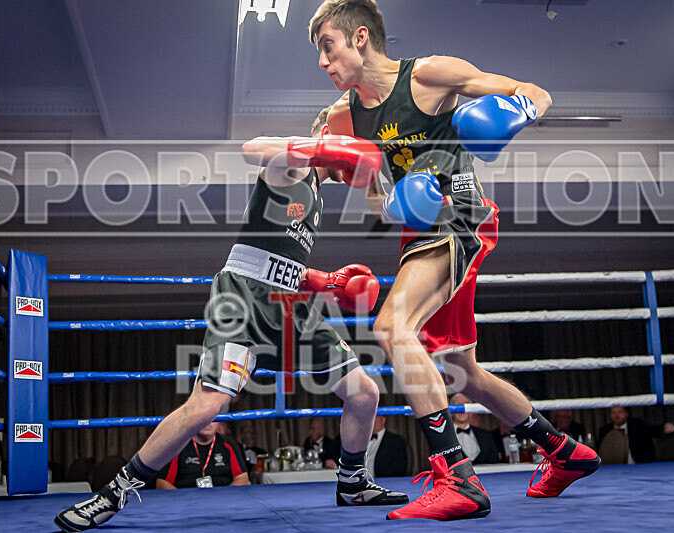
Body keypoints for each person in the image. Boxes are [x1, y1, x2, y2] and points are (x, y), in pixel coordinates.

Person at [308, 0, 600, 520]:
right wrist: (338, 176)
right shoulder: (342, 117)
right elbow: (363, 190)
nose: (324, 63)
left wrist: (516, 111)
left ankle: (457, 477)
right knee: (461, 371)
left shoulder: (429, 75)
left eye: (328, 47)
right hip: (418, 229)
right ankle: (564, 451)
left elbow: (534, 92)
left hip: (461, 214)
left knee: (392, 326)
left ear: (358, 37)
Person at [54, 111, 407, 532]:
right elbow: (251, 149)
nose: (356, 162)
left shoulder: (316, 197)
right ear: (332, 139)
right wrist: (324, 147)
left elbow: (282, 264)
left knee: (364, 392)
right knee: (207, 405)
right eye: (351, 145)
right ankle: (114, 492)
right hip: (241, 299)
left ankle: (352, 482)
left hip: (288, 304)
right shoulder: (292, 167)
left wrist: (326, 282)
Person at [156, 422, 249, 488]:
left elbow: (242, 478)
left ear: (218, 423)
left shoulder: (228, 444)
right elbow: (162, 483)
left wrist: (225, 498)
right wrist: (183, 502)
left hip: (223, 501)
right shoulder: (178, 445)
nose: (208, 423)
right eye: (204, 419)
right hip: (186, 504)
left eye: (212, 419)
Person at [597, 406, 674, 464]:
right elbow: (601, 452)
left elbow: (652, 430)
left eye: (620, 412)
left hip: (640, 466)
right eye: (613, 412)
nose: (616, 415)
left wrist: (664, 428)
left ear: (626, 414)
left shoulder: (637, 425)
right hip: (614, 469)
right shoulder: (604, 430)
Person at [450, 394, 499, 465]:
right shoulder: (444, 437)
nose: (461, 410)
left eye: (466, 405)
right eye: (458, 405)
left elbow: (494, 460)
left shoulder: (486, 435)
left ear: (472, 411)